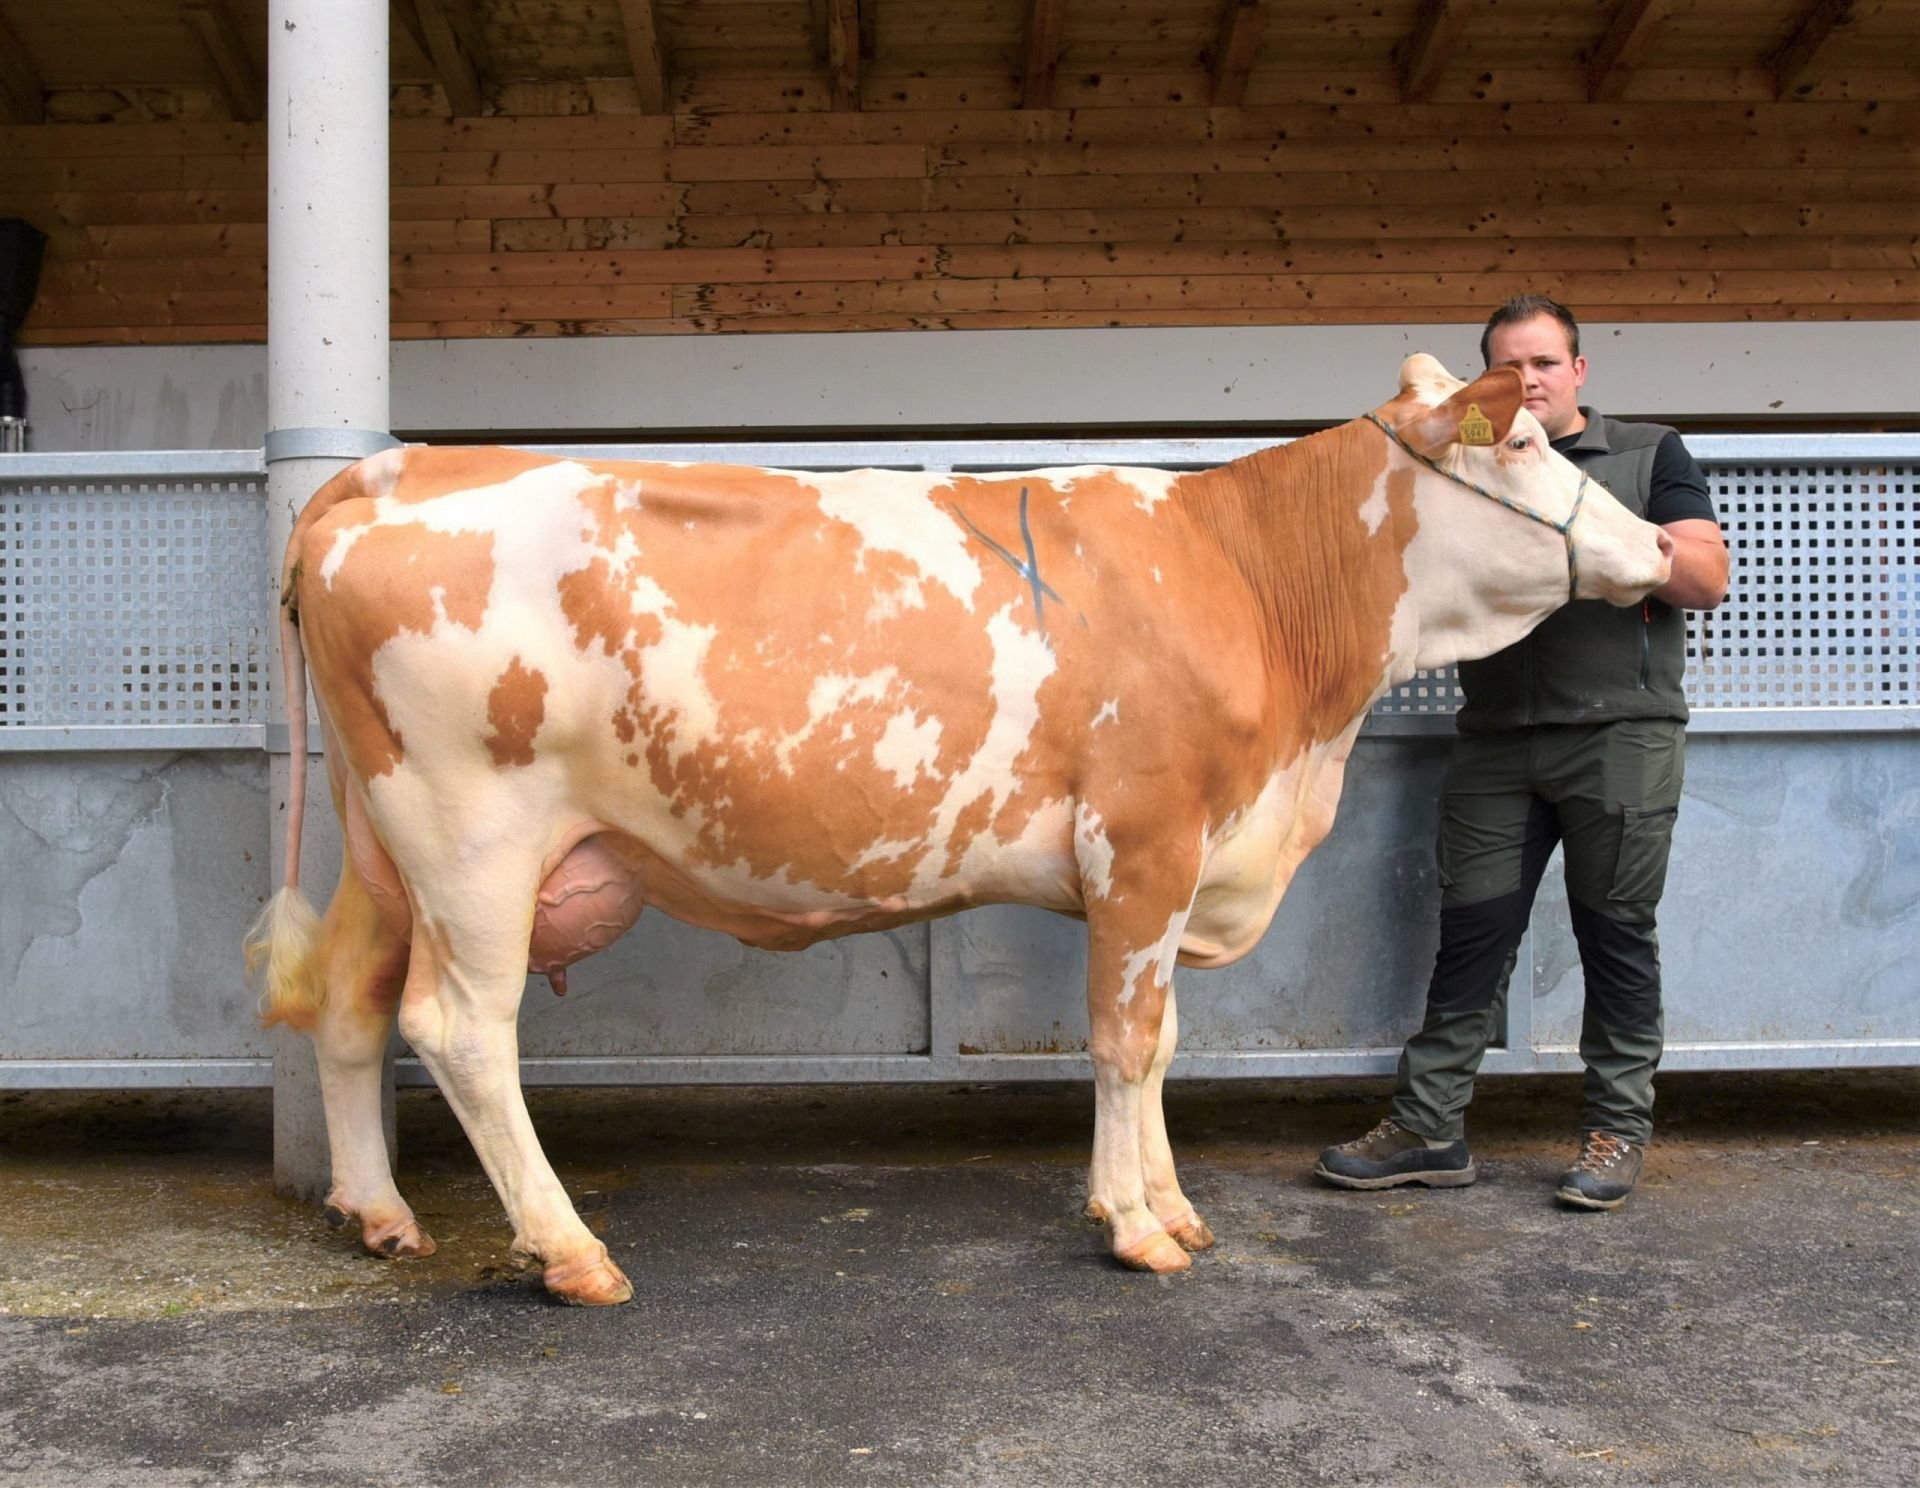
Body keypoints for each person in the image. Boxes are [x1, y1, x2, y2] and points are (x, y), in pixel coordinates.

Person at [1316, 295, 1730, 1210]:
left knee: (1616, 935)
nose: (1528, 381)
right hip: (1497, 742)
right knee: (1471, 937)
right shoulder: (1466, 458)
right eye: (1509, 367)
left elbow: (1707, 575)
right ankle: (1429, 1128)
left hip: (1620, 738)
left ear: (1578, 371)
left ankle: (1617, 1129)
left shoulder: (1646, 451)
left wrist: (1617, 539)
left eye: (1544, 363)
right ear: (1484, 384)